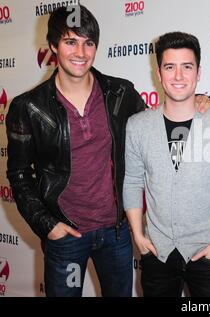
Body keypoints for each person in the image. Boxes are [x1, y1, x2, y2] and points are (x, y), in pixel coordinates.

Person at [5, 5, 145, 296]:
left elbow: (157, 126)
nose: (81, 53)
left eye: (88, 43)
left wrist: (196, 102)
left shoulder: (121, 93)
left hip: (116, 233)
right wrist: (48, 226)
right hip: (66, 237)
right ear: (53, 46)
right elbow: (19, 176)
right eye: (71, 42)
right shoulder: (28, 107)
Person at [123, 31, 210, 297]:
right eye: (170, 67)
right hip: (157, 251)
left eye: (187, 67)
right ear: (159, 73)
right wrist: (138, 236)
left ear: (198, 72)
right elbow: (132, 181)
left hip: (208, 253)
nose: (178, 76)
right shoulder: (137, 126)